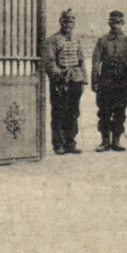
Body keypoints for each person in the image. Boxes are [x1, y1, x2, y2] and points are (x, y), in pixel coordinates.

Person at [91, 10, 127, 151]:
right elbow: (96, 62)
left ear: (123, 23)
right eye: (113, 22)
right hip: (105, 80)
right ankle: (105, 141)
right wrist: (95, 81)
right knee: (104, 111)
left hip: (122, 81)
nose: (115, 25)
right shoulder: (102, 40)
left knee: (120, 111)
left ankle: (116, 140)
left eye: (118, 22)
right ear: (109, 23)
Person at [41, 9, 86, 154]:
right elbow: (49, 62)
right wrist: (58, 74)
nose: (68, 24)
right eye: (66, 21)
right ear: (61, 22)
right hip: (60, 81)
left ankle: (70, 142)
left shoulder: (76, 39)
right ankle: (58, 144)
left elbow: (81, 60)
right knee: (59, 112)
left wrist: (83, 79)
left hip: (75, 79)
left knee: (73, 112)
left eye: (71, 21)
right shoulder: (53, 40)